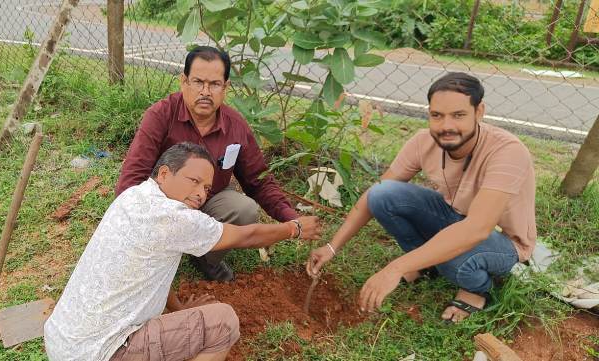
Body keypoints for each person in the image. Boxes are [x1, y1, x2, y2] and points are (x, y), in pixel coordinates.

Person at [45, 142, 321, 361]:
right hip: (103, 353)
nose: (201, 193)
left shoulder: (133, 196)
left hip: (62, 343)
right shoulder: (175, 218)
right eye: (194, 181)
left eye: (206, 188)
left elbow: (154, 275)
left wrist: (178, 310)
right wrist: (293, 228)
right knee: (224, 322)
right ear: (164, 174)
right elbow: (245, 235)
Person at [306, 72, 536, 322]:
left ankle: (477, 289)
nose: (446, 126)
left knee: (456, 256)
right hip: (453, 216)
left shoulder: (507, 151)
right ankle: (426, 263)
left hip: (502, 240)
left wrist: (395, 268)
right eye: (437, 115)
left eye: (458, 115)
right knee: (383, 194)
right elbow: (376, 193)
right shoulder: (423, 141)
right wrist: (332, 247)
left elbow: (477, 229)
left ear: (479, 112)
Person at [116, 46, 299, 282]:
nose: (205, 91)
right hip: (164, 207)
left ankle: (205, 258)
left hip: (208, 203)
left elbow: (258, 180)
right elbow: (133, 175)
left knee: (244, 209)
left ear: (225, 87)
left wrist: (291, 218)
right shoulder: (161, 115)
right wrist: (130, 223)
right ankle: (161, 254)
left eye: (214, 84)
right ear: (184, 82)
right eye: (198, 82)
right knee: (150, 255)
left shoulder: (235, 126)